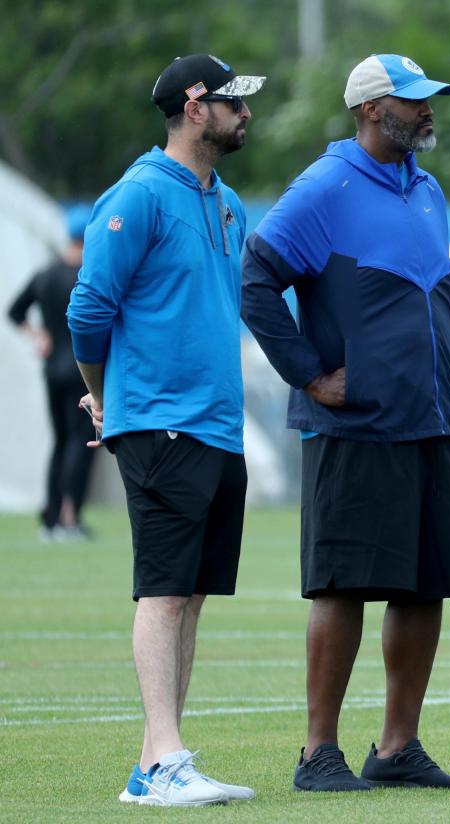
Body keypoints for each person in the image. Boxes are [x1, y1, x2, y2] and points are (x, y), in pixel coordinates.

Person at [241, 53, 450, 793]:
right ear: (374, 110)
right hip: (356, 426)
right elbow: (256, 279)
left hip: (432, 417)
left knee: (425, 585)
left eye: (431, 99)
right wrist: (311, 373)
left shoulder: (427, 187)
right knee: (342, 586)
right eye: (415, 102)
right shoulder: (325, 186)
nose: (429, 111)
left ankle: (397, 746)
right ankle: (318, 752)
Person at [66, 53, 264, 806]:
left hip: (217, 425)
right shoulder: (140, 194)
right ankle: (162, 761)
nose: (245, 114)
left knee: (193, 594)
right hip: (160, 421)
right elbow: (89, 311)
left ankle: (160, 761)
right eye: (233, 102)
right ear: (193, 105)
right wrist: (102, 397)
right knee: (164, 591)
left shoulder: (228, 202)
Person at [8, 205, 96, 541]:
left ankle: (50, 518)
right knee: (79, 443)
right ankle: (69, 517)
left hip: (52, 371)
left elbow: (14, 311)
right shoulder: (87, 279)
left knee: (60, 443)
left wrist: (39, 335)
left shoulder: (45, 274)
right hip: (82, 372)